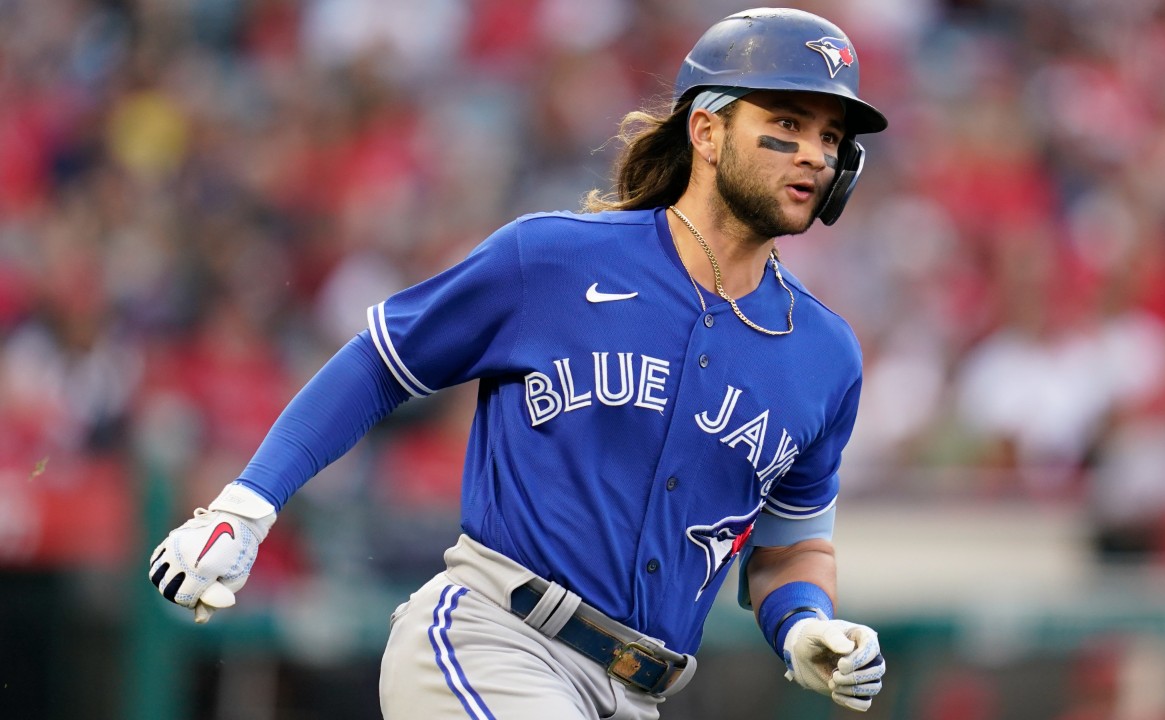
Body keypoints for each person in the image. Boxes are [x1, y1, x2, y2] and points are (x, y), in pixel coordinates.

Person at [147, 7, 890, 719]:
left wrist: (802, 626)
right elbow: (381, 364)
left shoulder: (824, 356)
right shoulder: (554, 259)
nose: (815, 155)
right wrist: (244, 508)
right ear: (706, 129)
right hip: (494, 641)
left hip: (638, 694)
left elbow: (790, 546)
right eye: (786, 124)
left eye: (831, 137)